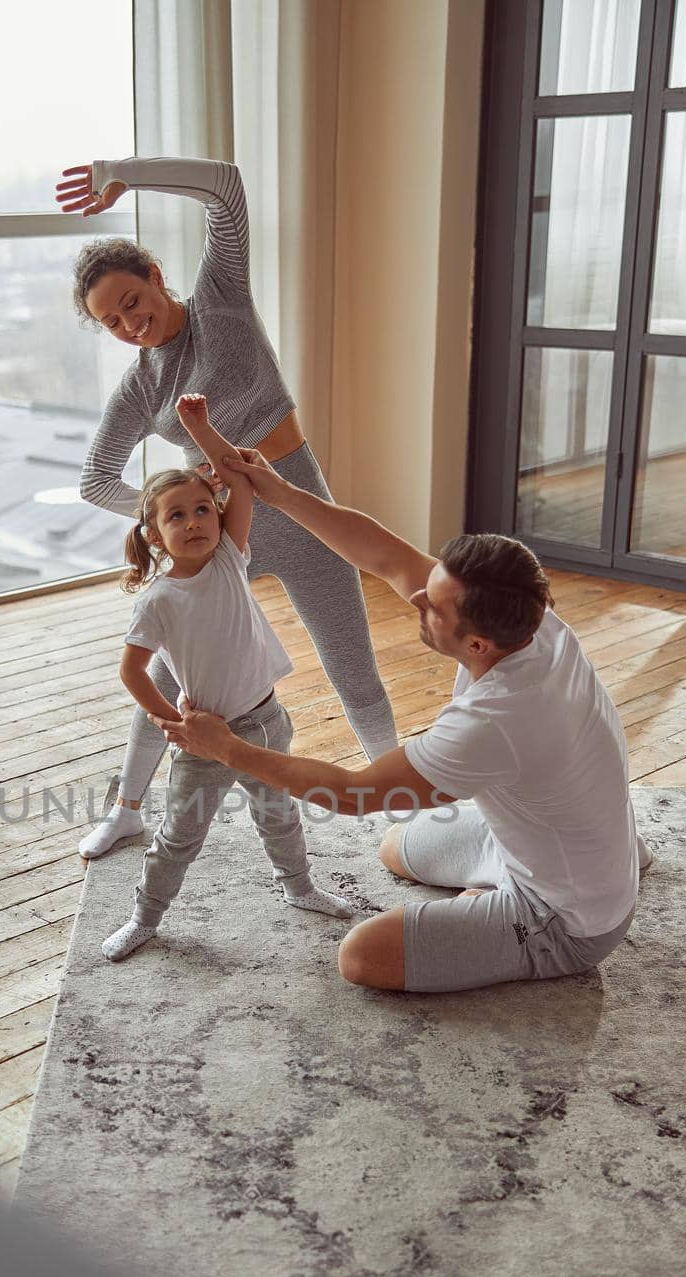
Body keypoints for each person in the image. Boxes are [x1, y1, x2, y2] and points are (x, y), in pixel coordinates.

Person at [156, 447, 654, 995]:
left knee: (363, 955)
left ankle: (518, 917)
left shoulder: (495, 720)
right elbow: (385, 556)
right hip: (550, 842)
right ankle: (519, 879)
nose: (416, 596)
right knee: (397, 848)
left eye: (433, 607)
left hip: (569, 917)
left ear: (476, 643)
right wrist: (276, 490)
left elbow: (353, 795)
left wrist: (225, 747)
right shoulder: (531, 617)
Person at [56, 155, 398, 862]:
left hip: (300, 508)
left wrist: (122, 173)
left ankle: (396, 798)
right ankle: (126, 811)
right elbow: (94, 479)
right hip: (218, 540)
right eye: (109, 321)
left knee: (351, 664)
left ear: (154, 275)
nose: (128, 323)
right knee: (168, 681)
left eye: (130, 301)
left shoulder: (220, 298)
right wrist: (176, 512)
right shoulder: (140, 388)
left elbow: (225, 188)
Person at [102, 394, 352, 962]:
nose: (193, 523)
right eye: (176, 516)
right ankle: (145, 918)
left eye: (201, 511)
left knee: (279, 815)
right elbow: (132, 671)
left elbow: (243, 483)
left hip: (266, 722)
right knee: (178, 839)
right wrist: (172, 723)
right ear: (152, 533)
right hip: (206, 741)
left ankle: (300, 889)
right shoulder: (159, 600)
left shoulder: (228, 559)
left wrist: (202, 428)